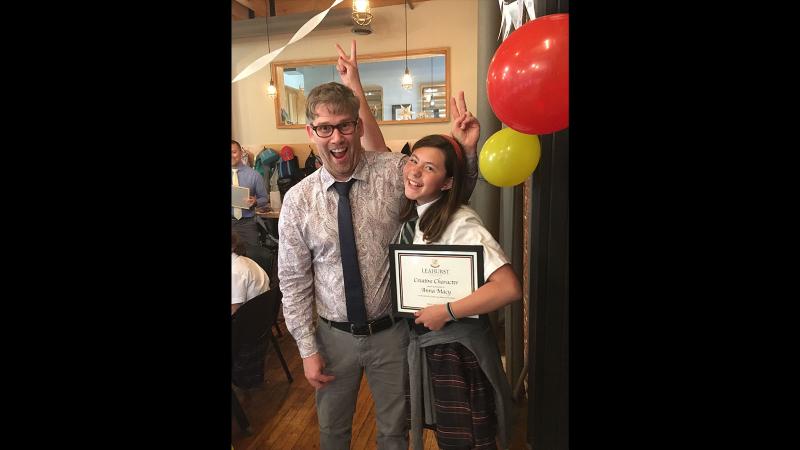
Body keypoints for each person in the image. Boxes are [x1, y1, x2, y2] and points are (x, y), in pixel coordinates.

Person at [277, 39, 478, 450]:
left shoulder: (391, 172)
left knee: (394, 430)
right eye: (325, 127)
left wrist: (467, 153)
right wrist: (306, 349)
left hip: (391, 334)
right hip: (332, 338)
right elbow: (293, 281)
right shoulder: (298, 201)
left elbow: (449, 196)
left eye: (345, 125)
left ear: (357, 125)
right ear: (310, 132)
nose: (337, 137)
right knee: (333, 432)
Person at [397, 132, 522, 449]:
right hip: (435, 347)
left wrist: (447, 311)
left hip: (458, 351)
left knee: (467, 441)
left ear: (448, 182)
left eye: (429, 168)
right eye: (413, 161)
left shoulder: (461, 223)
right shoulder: (423, 214)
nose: (414, 171)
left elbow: (508, 288)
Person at [232, 139, 269, 247]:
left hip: (247, 223)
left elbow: (264, 198)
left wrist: (255, 202)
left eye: (234, 152)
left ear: (241, 153)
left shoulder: (254, 175)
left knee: (252, 255)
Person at [231, 231, 270, 316]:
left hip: (248, 320)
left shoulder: (235, 272)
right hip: (262, 312)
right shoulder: (244, 260)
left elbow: (234, 311)